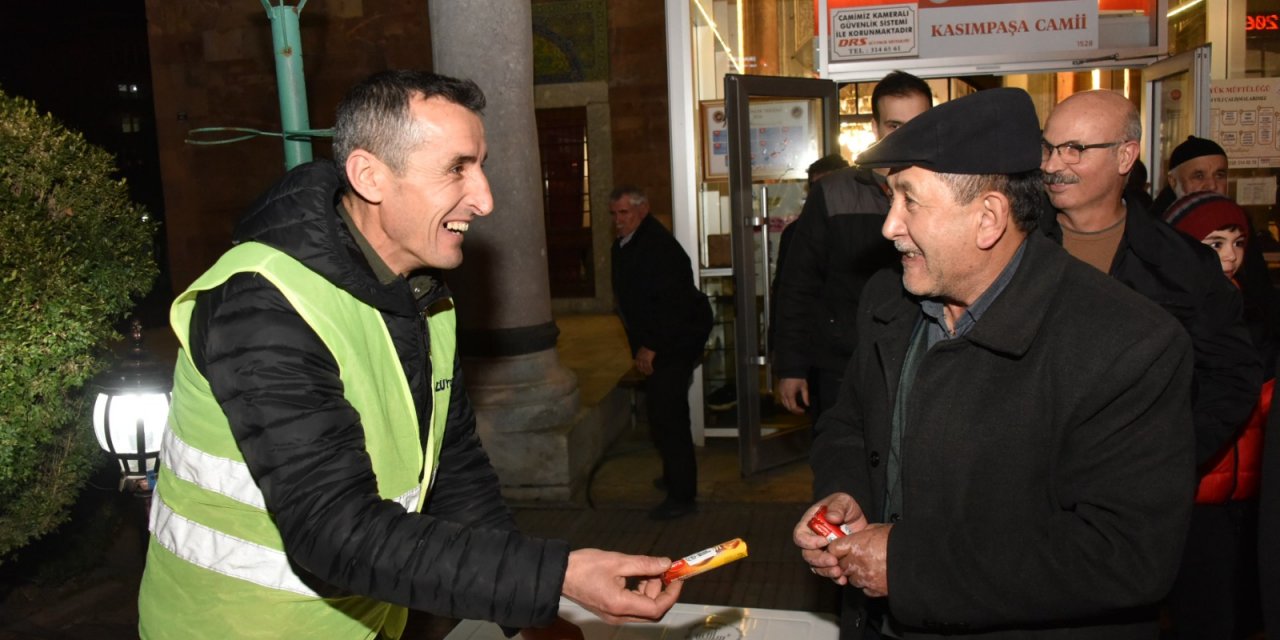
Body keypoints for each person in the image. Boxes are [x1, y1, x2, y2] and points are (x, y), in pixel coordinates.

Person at [137, 70, 682, 639]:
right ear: (370, 176)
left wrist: (528, 612)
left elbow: (455, 470)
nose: (486, 198)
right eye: (457, 168)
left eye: (482, 164)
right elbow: (332, 528)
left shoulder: (421, 293)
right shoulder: (264, 304)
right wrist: (555, 577)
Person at [793, 87, 1196, 639]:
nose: (889, 226)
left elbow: (1125, 554)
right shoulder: (889, 302)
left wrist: (910, 566)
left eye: (909, 200)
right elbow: (849, 423)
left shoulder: (1128, 344)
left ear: (988, 218)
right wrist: (845, 496)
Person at [1039, 89, 1260, 470]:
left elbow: (1232, 375)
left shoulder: (1181, 263)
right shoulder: (1014, 247)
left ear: (1125, 156)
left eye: (1074, 148)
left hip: (1136, 497)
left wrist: (1169, 461)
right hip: (1029, 491)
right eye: (1048, 148)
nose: (1052, 164)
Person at [773, 70, 931, 419]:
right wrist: (792, 366)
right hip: (842, 365)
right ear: (875, 128)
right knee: (842, 464)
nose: (905, 135)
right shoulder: (833, 194)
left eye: (916, 123)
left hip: (921, 360)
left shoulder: (950, 192)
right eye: (894, 125)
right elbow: (799, 284)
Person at [1164, 191, 1274, 638]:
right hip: (1194, 497)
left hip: (1246, 496)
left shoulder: (1256, 312)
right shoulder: (1176, 316)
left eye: (1238, 242)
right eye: (1215, 244)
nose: (1230, 256)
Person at [609, 186, 713, 521]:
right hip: (660, 340)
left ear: (642, 210)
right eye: (614, 214)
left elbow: (673, 304)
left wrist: (651, 345)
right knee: (660, 411)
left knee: (670, 417)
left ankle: (682, 496)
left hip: (675, 341)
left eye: (624, 213)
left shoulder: (658, 247)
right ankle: (672, 476)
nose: (617, 220)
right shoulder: (628, 244)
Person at [1149, 134, 1229, 218]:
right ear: (1173, 181)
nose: (1212, 186)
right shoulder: (1155, 227)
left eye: (1219, 175)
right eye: (1199, 176)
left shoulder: (1234, 218)